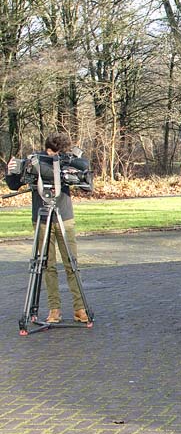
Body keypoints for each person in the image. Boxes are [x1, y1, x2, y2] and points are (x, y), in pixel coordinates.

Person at [5, 133, 89, 324]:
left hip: (64, 217)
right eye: (53, 153)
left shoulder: (69, 160)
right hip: (42, 217)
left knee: (71, 264)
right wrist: (10, 170)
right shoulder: (35, 161)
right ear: (48, 149)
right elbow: (13, 184)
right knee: (47, 265)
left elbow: (86, 183)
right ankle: (54, 309)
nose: (55, 157)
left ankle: (80, 309)